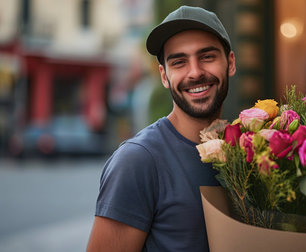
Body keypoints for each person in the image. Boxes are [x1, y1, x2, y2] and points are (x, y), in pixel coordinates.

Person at [86, 5, 236, 252]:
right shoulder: (138, 160)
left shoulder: (248, 149)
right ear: (164, 76)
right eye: (179, 62)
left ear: (230, 63)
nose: (195, 72)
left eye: (207, 57)